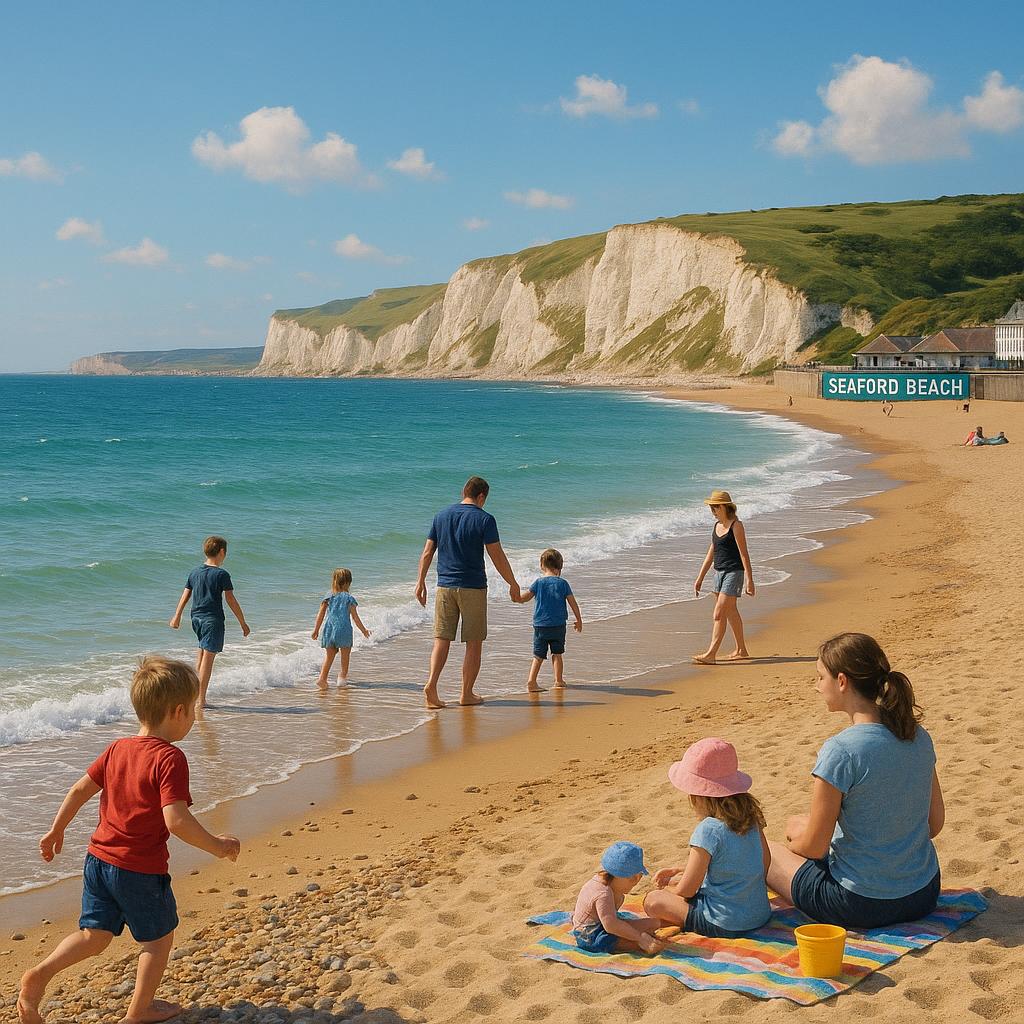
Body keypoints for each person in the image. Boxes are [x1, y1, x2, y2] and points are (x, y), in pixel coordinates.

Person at [17, 657, 240, 1024]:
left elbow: (78, 789)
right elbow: (176, 820)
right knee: (156, 942)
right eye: (193, 711)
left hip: (97, 860)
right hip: (139, 869)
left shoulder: (117, 748)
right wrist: (217, 845)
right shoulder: (169, 758)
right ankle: (138, 1013)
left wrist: (56, 830)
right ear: (179, 711)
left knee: (94, 935)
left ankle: (39, 975)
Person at [765, 633, 944, 929]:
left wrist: (798, 839)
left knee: (767, 851)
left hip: (858, 903)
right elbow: (933, 824)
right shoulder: (917, 736)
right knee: (802, 822)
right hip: (922, 894)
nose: (817, 686)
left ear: (842, 681)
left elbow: (814, 848)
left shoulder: (841, 751)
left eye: (820, 677)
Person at [644, 738, 772, 937]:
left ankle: (678, 922)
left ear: (699, 795)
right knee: (675, 884)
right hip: (759, 915)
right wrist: (680, 871)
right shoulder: (751, 818)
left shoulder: (708, 830)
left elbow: (687, 890)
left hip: (724, 922)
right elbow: (763, 863)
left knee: (653, 900)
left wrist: (671, 894)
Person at [415, 476, 521, 709]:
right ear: (481, 496)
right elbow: (497, 555)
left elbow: (427, 552)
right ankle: (466, 693)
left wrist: (420, 582)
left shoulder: (441, 516)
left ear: (464, 492)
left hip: (444, 586)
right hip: (472, 587)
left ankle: (432, 684)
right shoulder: (485, 519)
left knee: (441, 640)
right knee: (474, 642)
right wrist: (512, 583)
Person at [169, 535, 250, 709]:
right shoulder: (221, 574)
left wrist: (177, 615)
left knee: (201, 655)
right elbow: (230, 599)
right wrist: (243, 622)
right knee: (208, 659)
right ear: (222, 552)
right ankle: (201, 700)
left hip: (195, 618)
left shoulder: (195, 572)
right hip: (212, 620)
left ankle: (194, 696)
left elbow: (186, 594)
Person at [692, 490, 755, 665]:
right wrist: (700, 578)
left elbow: (744, 554)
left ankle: (711, 654)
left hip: (734, 573)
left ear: (723, 507)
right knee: (730, 611)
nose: (712, 512)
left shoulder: (736, 526)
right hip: (718, 573)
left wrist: (750, 580)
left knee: (719, 613)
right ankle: (742, 650)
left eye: (714, 508)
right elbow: (711, 554)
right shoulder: (717, 526)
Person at [572, 842, 664, 955]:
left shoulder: (607, 884)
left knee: (653, 924)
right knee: (644, 943)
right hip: (590, 936)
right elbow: (611, 925)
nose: (636, 881)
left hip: (604, 925)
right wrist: (639, 938)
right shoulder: (603, 893)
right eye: (633, 878)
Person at [513, 548, 583, 692]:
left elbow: (525, 597)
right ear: (559, 567)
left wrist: (516, 598)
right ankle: (558, 680)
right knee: (557, 654)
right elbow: (573, 603)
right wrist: (578, 619)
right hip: (558, 626)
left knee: (538, 655)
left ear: (541, 565)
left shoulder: (538, 583)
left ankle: (531, 682)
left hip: (540, 626)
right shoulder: (563, 583)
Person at [311, 568, 371, 687]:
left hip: (329, 629)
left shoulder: (328, 597)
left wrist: (316, 630)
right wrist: (364, 630)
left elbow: (321, 614)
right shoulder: (349, 599)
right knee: (345, 656)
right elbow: (355, 617)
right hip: (344, 630)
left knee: (329, 656)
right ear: (348, 583)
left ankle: (322, 679)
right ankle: (342, 678)